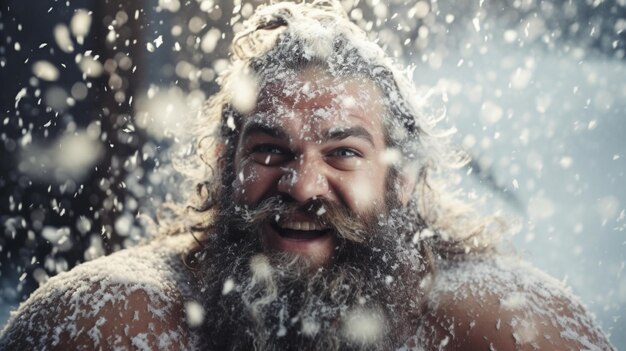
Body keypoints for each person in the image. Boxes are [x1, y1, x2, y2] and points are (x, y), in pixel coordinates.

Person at [0, 1, 614, 350]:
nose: (301, 185)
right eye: (270, 149)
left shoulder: (496, 328)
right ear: (224, 168)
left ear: (399, 180)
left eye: (343, 153)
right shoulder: (122, 322)